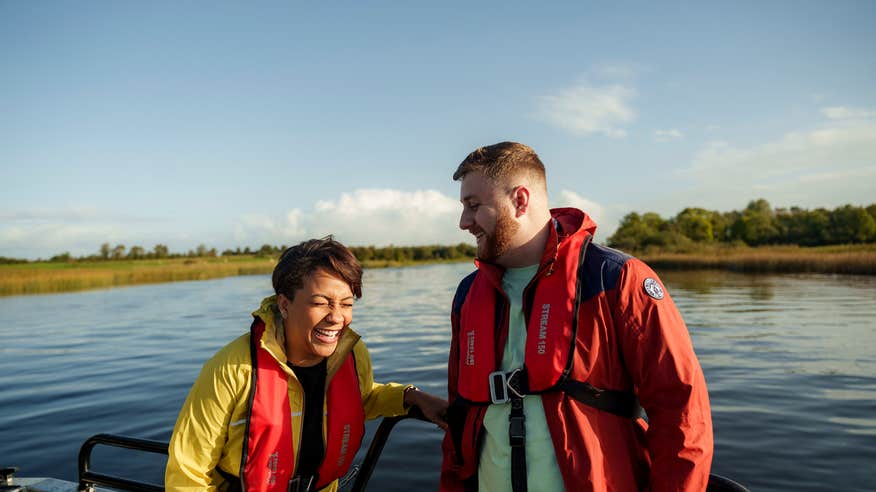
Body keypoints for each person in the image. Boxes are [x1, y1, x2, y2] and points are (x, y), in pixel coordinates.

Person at [440, 142, 713, 492]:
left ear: (520, 200)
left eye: (474, 206)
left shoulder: (616, 279)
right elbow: (459, 421)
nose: (464, 222)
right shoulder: (467, 295)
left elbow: (683, 414)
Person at [166, 237, 448, 492]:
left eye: (347, 304)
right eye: (321, 303)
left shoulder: (351, 352)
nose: (337, 317)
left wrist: (410, 396)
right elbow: (187, 473)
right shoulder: (231, 369)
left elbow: (361, 398)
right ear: (285, 304)